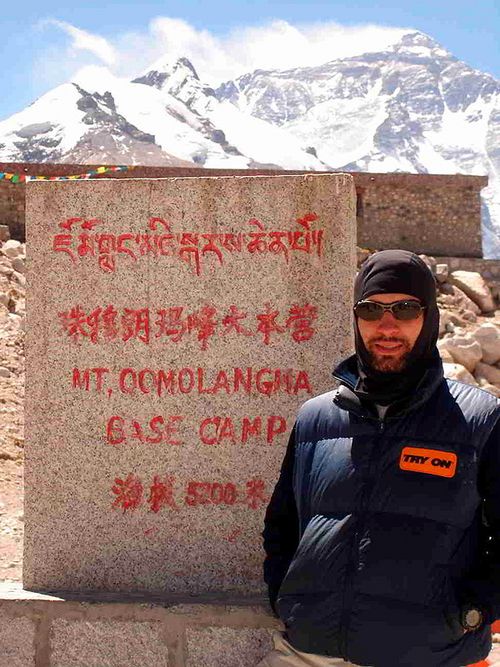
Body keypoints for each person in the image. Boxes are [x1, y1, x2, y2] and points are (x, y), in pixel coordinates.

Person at [259, 250, 500, 667]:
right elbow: (282, 524)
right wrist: (287, 597)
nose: (386, 326)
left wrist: (475, 610)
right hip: (308, 651)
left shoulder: (481, 421)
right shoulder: (317, 418)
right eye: (371, 310)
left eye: (404, 309)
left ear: (429, 318)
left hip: (428, 655)